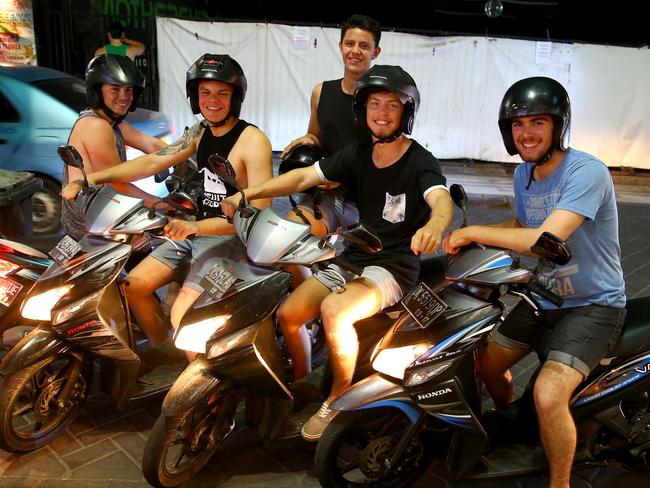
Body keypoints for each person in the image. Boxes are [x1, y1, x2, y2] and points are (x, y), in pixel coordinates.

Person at [222, 65, 454, 441]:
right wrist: (248, 194)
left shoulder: (420, 161)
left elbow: (440, 199)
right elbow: (302, 178)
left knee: (334, 311)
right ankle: (300, 382)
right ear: (361, 110)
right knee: (289, 313)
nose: (381, 112)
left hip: (393, 267)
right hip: (354, 256)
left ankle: (337, 397)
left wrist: (434, 225)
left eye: (391, 105)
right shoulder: (359, 153)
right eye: (373, 103)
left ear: (406, 113)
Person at [442, 77, 626, 488]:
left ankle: (559, 482)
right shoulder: (525, 174)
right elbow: (524, 226)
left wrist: (477, 235)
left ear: (558, 126)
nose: (526, 134)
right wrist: (469, 235)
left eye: (538, 123)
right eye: (518, 125)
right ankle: (517, 427)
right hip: (544, 296)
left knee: (548, 393)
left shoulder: (587, 172)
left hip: (593, 305)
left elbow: (546, 239)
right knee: (485, 364)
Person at [62, 53, 273, 361]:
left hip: (230, 237)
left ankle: (202, 387)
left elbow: (258, 214)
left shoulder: (253, 141)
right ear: (194, 96)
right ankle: (166, 357)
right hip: (193, 231)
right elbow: (153, 160)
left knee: (183, 315)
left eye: (222, 94)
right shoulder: (200, 133)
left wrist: (197, 226)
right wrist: (89, 179)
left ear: (235, 97)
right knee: (133, 286)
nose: (212, 101)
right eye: (205, 92)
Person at [280, 14, 381, 238]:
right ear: (340, 46)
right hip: (324, 195)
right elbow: (317, 136)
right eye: (350, 43)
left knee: (359, 267)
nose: (355, 51)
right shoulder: (321, 92)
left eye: (364, 46)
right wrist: (306, 140)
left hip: (366, 199)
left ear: (375, 52)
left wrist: (345, 175)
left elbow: (387, 158)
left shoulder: (380, 104)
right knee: (288, 237)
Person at [62, 54, 167, 241]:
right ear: (97, 91)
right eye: (115, 89)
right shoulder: (96, 126)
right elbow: (118, 185)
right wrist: (165, 205)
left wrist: (187, 158)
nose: (123, 97)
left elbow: (150, 143)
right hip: (91, 229)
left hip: (106, 217)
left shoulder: (112, 122)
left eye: (128, 90)